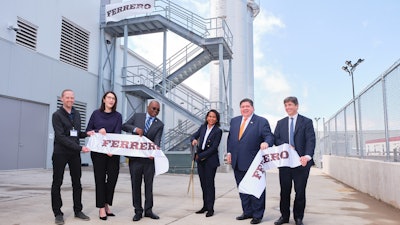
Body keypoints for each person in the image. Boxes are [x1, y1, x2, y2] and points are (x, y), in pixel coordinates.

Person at [226, 98, 274, 225]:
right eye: (242, 106)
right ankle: (247, 212)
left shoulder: (261, 121)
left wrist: (266, 142)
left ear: (253, 108)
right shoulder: (235, 121)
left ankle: (258, 215)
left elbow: (269, 136)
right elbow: (231, 139)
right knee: (243, 188)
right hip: (237, 161)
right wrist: (229, 152)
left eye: (247, 106)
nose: (245, 108)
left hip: (254, 162)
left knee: (256, 189)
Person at [273, 96, 315, 225]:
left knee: (300, 191)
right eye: (286, 105)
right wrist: (286, 145)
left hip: (301, 163)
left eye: (290, 105)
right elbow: (276, 139)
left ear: (296, 106)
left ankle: (298, 218)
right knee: (284, 191)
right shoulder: (281, 123)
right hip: (285, 163)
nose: (288, 108)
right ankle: (284, 216)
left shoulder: (306, 122)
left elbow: (310, 140)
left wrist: (307, 156)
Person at [51, 89, 91, 225]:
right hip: (60, 152)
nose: (70, 100)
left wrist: (87, 134)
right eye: (67, 97)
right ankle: (58, 213)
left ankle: (78, 210)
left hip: (74, 154)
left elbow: (76, 133)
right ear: (62, 99)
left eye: (72, 98)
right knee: (57, 182)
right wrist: (80, 148)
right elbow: (61, 137)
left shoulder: (77, 114)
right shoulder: (57, 115)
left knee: (77, 182)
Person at [122, 100, 164, 222]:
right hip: (135, 159)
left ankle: (149, 210)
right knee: (136, 185)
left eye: (157, 110)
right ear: (148, 107)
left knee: (148, 185)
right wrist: (135, 129)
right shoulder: (137, 116)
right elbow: (124, 126)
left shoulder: (159, 124)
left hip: (149, 160)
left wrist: (154, 151)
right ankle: (138, 211)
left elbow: (157, 140)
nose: (155, 111)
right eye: (153, 108)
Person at [86, 91, 122, 220]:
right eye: (109, 98)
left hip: (112, 152)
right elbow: (88, 131)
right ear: (104, 99)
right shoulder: (96, 114)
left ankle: (107, 204)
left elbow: (117, 133)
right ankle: (101, 208)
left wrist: (111, 148)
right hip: (98, 153)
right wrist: (97, 131)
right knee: (100, 179)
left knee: (112, 179)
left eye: (113, 98)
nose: (111, 100)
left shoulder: (118, 116)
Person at [190, 109, 223, 218]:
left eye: (214, 117)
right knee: (203, 184)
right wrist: (194, 139)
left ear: (217, 119)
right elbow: (193, 136)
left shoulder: (218, 131)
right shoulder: (203, 127)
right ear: (206, 117)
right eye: (209, 116)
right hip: (200, 160)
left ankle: (210, 208)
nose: (211, 118)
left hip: (210, 160)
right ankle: (204, 206)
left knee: (209, 184)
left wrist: (201, 156)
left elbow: (214, 148)